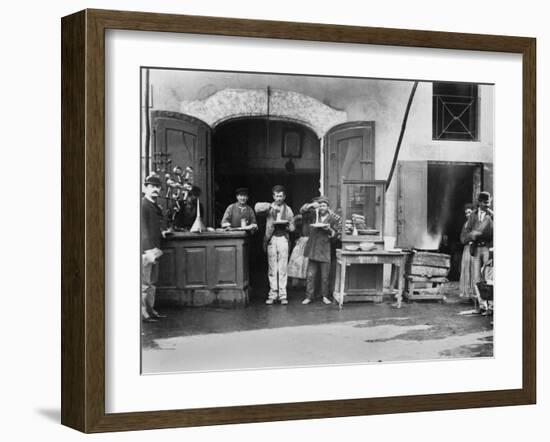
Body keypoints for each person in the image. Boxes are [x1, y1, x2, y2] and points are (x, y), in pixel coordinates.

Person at [255, 185, 295, 305]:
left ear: (284, 197)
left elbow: (293, 228)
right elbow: (257, 208)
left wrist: (288, 224)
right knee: (272, 268)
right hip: (271, 239)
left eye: (281, 196)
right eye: (276, 196)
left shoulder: (288, 210)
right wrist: (270, 205)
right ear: (273, 196)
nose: (278, 198)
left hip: (283, 239)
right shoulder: (269, 208)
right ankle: (273, 294)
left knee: (282, 268)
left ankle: (283, 295)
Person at [300, 196, 341, 305]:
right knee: (310, 275)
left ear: (328, 207)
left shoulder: (332, 219)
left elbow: (336, 235)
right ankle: (309, 297)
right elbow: (302, 210)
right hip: (313, 249)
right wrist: (311, 205)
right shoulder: (313, 215)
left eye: (324, 205)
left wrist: (329, 230)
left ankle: (325, 296)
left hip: (325, 250)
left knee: (325, 277)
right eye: (320, 205)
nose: (322, 208)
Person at [141, 174, 168, 322]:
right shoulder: (143, 204)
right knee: (145, 284)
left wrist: (162, 232)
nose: (155, 189)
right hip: (147, 250)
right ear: (145, 188)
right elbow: (142, 229)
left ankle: (151, 311)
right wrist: (148, 250)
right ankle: (143, 314)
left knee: (152, 283)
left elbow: (153, 226)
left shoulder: (153, 205)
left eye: (157, 187)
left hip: (155, 249)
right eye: (152, 187)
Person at [462, 191, 494, 311]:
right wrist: (471, 238)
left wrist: (492, 247)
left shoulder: (492, 215)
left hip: (487, 249)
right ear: (479, 202)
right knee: (476, 278)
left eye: (489, 202)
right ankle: (482, 305)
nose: (487, 205)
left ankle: (491, 305)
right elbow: (467, 230)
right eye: (485, 202)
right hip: (475, 249)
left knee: (488, 278)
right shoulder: (472, 216)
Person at [459, 203, 475, 298]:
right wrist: (468, 240)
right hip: (467, 248)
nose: (468, 215)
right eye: (466, 213)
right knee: (466, 269)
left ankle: (474, 292)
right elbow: (462, 238)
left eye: (469, 212)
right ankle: (466, 292)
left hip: (475, 249)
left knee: (474, 269)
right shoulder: (465, 225)